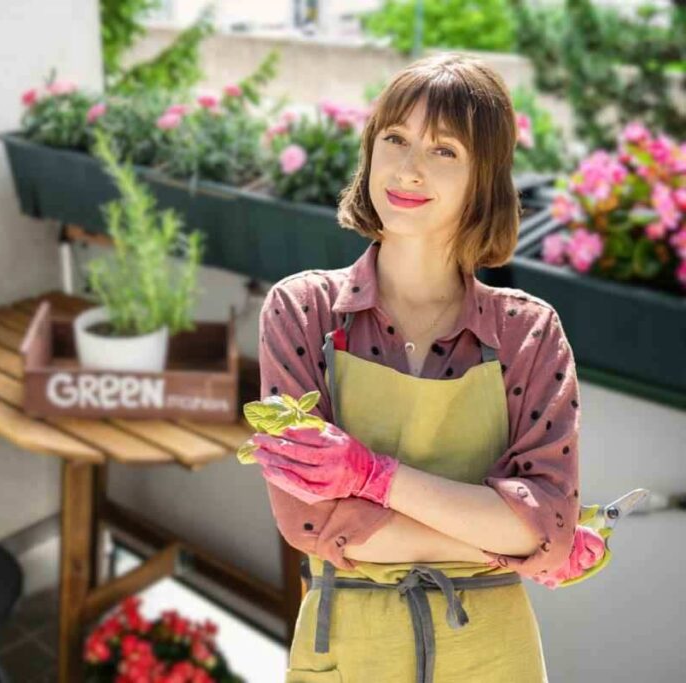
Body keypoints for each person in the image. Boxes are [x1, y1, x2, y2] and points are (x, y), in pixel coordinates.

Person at [249, 52, 603, 682]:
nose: (409, 168)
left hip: (492, 651)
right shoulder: (302, 311)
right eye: (395, 139)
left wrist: (374, 480)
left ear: (483, 181)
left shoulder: (527, 332)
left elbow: (547, 518)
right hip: (349, 644)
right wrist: (517, 543)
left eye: (445, 151)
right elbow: (312, 523)